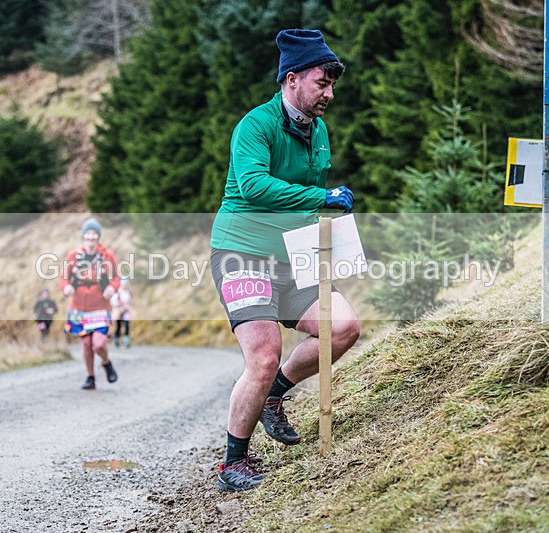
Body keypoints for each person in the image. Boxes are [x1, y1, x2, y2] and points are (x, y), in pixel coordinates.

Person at [209, 28, 360, 492]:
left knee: (343, 328)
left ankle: (274, 395)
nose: (329, 94)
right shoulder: (255, 126)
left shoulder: (319, 132)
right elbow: (254, 187)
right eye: (322, 83)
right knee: (263, 354)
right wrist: (322, 195)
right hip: (242, 253)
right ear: (292, 79)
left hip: (293, 255)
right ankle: (233, 462)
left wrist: (330, 221)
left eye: (332, 84)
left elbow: (306, 203)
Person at [60, 218, 120, 390]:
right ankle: (90, 377)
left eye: (94, 234)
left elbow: (116, 277)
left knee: (99, 344)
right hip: (79, 307)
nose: (91, 237)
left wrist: (111, 287)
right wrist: (66, 288)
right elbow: (64, 277)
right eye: (88, 233)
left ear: (98, 236)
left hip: (100, 306)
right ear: (83, 236)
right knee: (86, 344)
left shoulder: (107, 256)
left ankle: (106, 362)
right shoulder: (74, 255)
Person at [110, 279, 133, 348]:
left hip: (126, 312)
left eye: (126, 284)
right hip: (119, 312)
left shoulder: (128, 292)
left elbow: (130, 301)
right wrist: (118, 307)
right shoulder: (118, 292)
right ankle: (116, 340)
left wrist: (128, 307)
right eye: (124, 284)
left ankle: (126, 341)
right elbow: (113, 302)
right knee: (119, 326)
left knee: (126, 325)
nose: (125, 285)